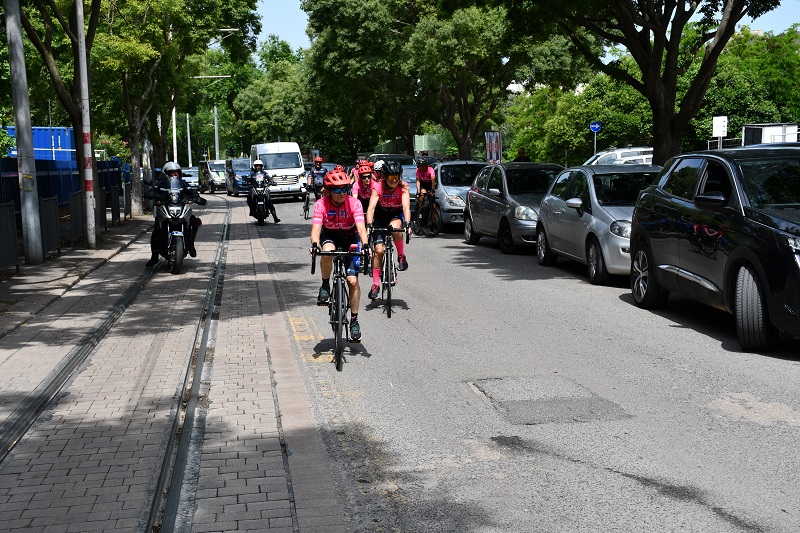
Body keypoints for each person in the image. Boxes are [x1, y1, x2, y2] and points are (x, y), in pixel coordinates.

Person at [309, 170, 370, 341]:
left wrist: (365, 245)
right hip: (330, 235)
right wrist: (314, 245)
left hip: (350, 236)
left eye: (345, 189)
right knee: (326, 252)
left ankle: (354, 321)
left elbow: (361, 228)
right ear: (328, 191)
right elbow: (315, 231)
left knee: (352, 281)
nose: (342, 193)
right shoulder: (321, 204)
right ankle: (325, 285)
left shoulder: (354, 203)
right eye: (337, 190)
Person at [144, 161, 206, 267]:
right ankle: (154, 257)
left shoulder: (182, 183)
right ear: (166, 173)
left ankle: (191, 245)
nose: (175, 174)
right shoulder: (160, 183)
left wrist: (195, 197)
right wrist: (155, 196)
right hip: (166, 208)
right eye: (172, 172)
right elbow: (151, 191)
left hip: (179, 207)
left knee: (194, 221)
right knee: (156, 231)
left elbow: (191, 191)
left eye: (177, 172)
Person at [365, 160, 411, 300]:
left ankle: (401, 255)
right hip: (380, 216)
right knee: (378, 251)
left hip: (395, 215)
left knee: (396, 228)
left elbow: (406, 207)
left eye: (397, 177)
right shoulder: (377, 187)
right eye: (391, 178)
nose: (394, 181)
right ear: (385, 177)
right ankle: (375, 284)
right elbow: (371, 209)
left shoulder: (403, 188)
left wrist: (408, 224)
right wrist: (368, 225)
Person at [414, 158, 437, 224]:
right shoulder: (418, 170)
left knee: (434, 207)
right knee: (422, 194)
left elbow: (433, 180)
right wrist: (418, 191)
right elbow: (418, 181)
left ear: (424, 166)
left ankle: (433, 224)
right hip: (423, 185)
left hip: (430, 185)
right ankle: (421, 211)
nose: (418, 168)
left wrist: (432, 189)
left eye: (419, 166)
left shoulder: (430, 170)